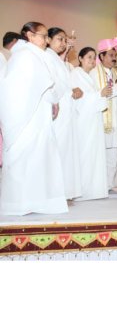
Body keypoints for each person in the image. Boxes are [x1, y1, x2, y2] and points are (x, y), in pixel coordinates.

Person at [0, 22, 67, 215]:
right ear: (29, 35)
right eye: (43, 36)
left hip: (38, 115)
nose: (46, 40)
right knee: (26, 158)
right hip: (27, 118)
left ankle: (38, 201)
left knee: (39, 158)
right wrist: (55, 98)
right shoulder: (26, 56)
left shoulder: (33, 54)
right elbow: (44, 85)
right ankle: (20, 203)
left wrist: (53, 99)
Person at [43, 27, 82, 200]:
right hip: (57, 109)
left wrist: (72, 91)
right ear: (48, 40)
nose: (63, 43)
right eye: (60, 39)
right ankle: (56, 192)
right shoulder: (47, 56)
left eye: (65, 40)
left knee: (66, 150)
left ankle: (65, 191)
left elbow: (63, 82)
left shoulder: (57, 59)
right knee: (58, 150)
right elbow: (52, 83)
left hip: (66, 109)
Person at [70, 47, 109, 200]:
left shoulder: (89, 77)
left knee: (94, 154)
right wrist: (100, 94)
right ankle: (83, 190)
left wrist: (101, 95)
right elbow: (79, 99)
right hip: (83, 122)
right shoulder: (75, 74)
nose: (92, 61)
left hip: (93, 121)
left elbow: (93, 98)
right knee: (84, 154)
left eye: (94, 58)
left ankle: (94, 190)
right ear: (80, 58)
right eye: (89, 57)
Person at [90, 38, 117, 190]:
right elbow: (99, 95)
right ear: (102, 56)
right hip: (101, 121)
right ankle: (99, 185)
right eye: (111, 55)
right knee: (101, 154)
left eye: (115, 55)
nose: (114, 58)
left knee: (113, 154)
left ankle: (109, 185)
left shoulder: (115, 73)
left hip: (115, 121)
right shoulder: (94, 73)